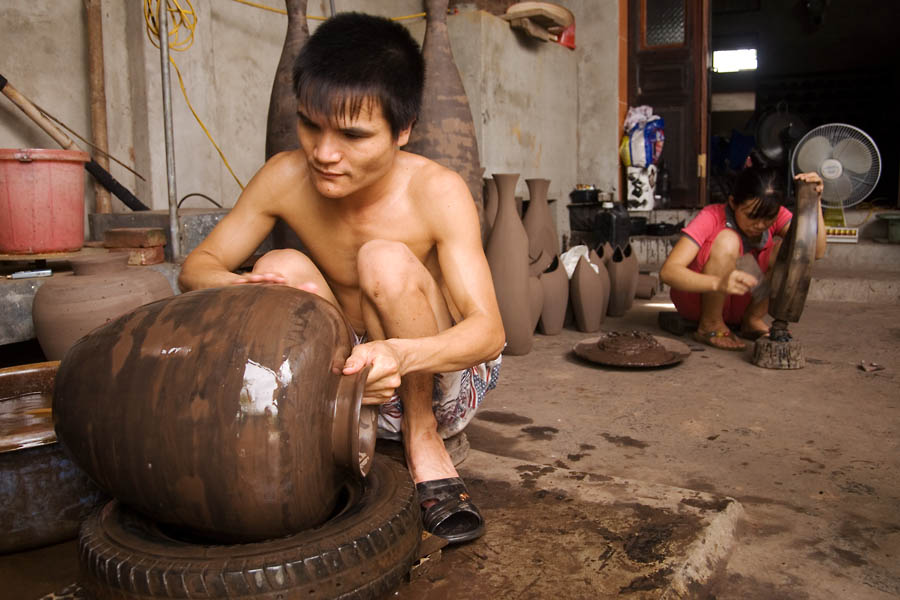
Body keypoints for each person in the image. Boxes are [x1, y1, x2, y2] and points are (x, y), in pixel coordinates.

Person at [178, 12, 505, 544]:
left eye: (353, 135)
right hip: (354, 374)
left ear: (404, 130)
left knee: (384, 260)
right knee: (275, 268)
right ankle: (342, 432)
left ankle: (422, 440)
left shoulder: (437, 191)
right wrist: (241, 291)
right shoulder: (285, 176)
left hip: (440, 377)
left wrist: (400, 354)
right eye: (311, 124)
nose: (325, 154)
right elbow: (197, 266)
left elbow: (488, 333)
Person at [659, 155, 827, 350]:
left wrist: (814, 202)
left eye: (768, 218)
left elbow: (815, 252)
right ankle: (710, 324)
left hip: (742, 302)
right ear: (733, 203)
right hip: (698, 301)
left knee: (791, 249)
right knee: (728, 240)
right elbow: (668, 272)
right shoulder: (711, 216)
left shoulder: (775, 214)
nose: (760, 225)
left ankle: (752, 319)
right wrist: (718, 282)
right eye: (752, 216)